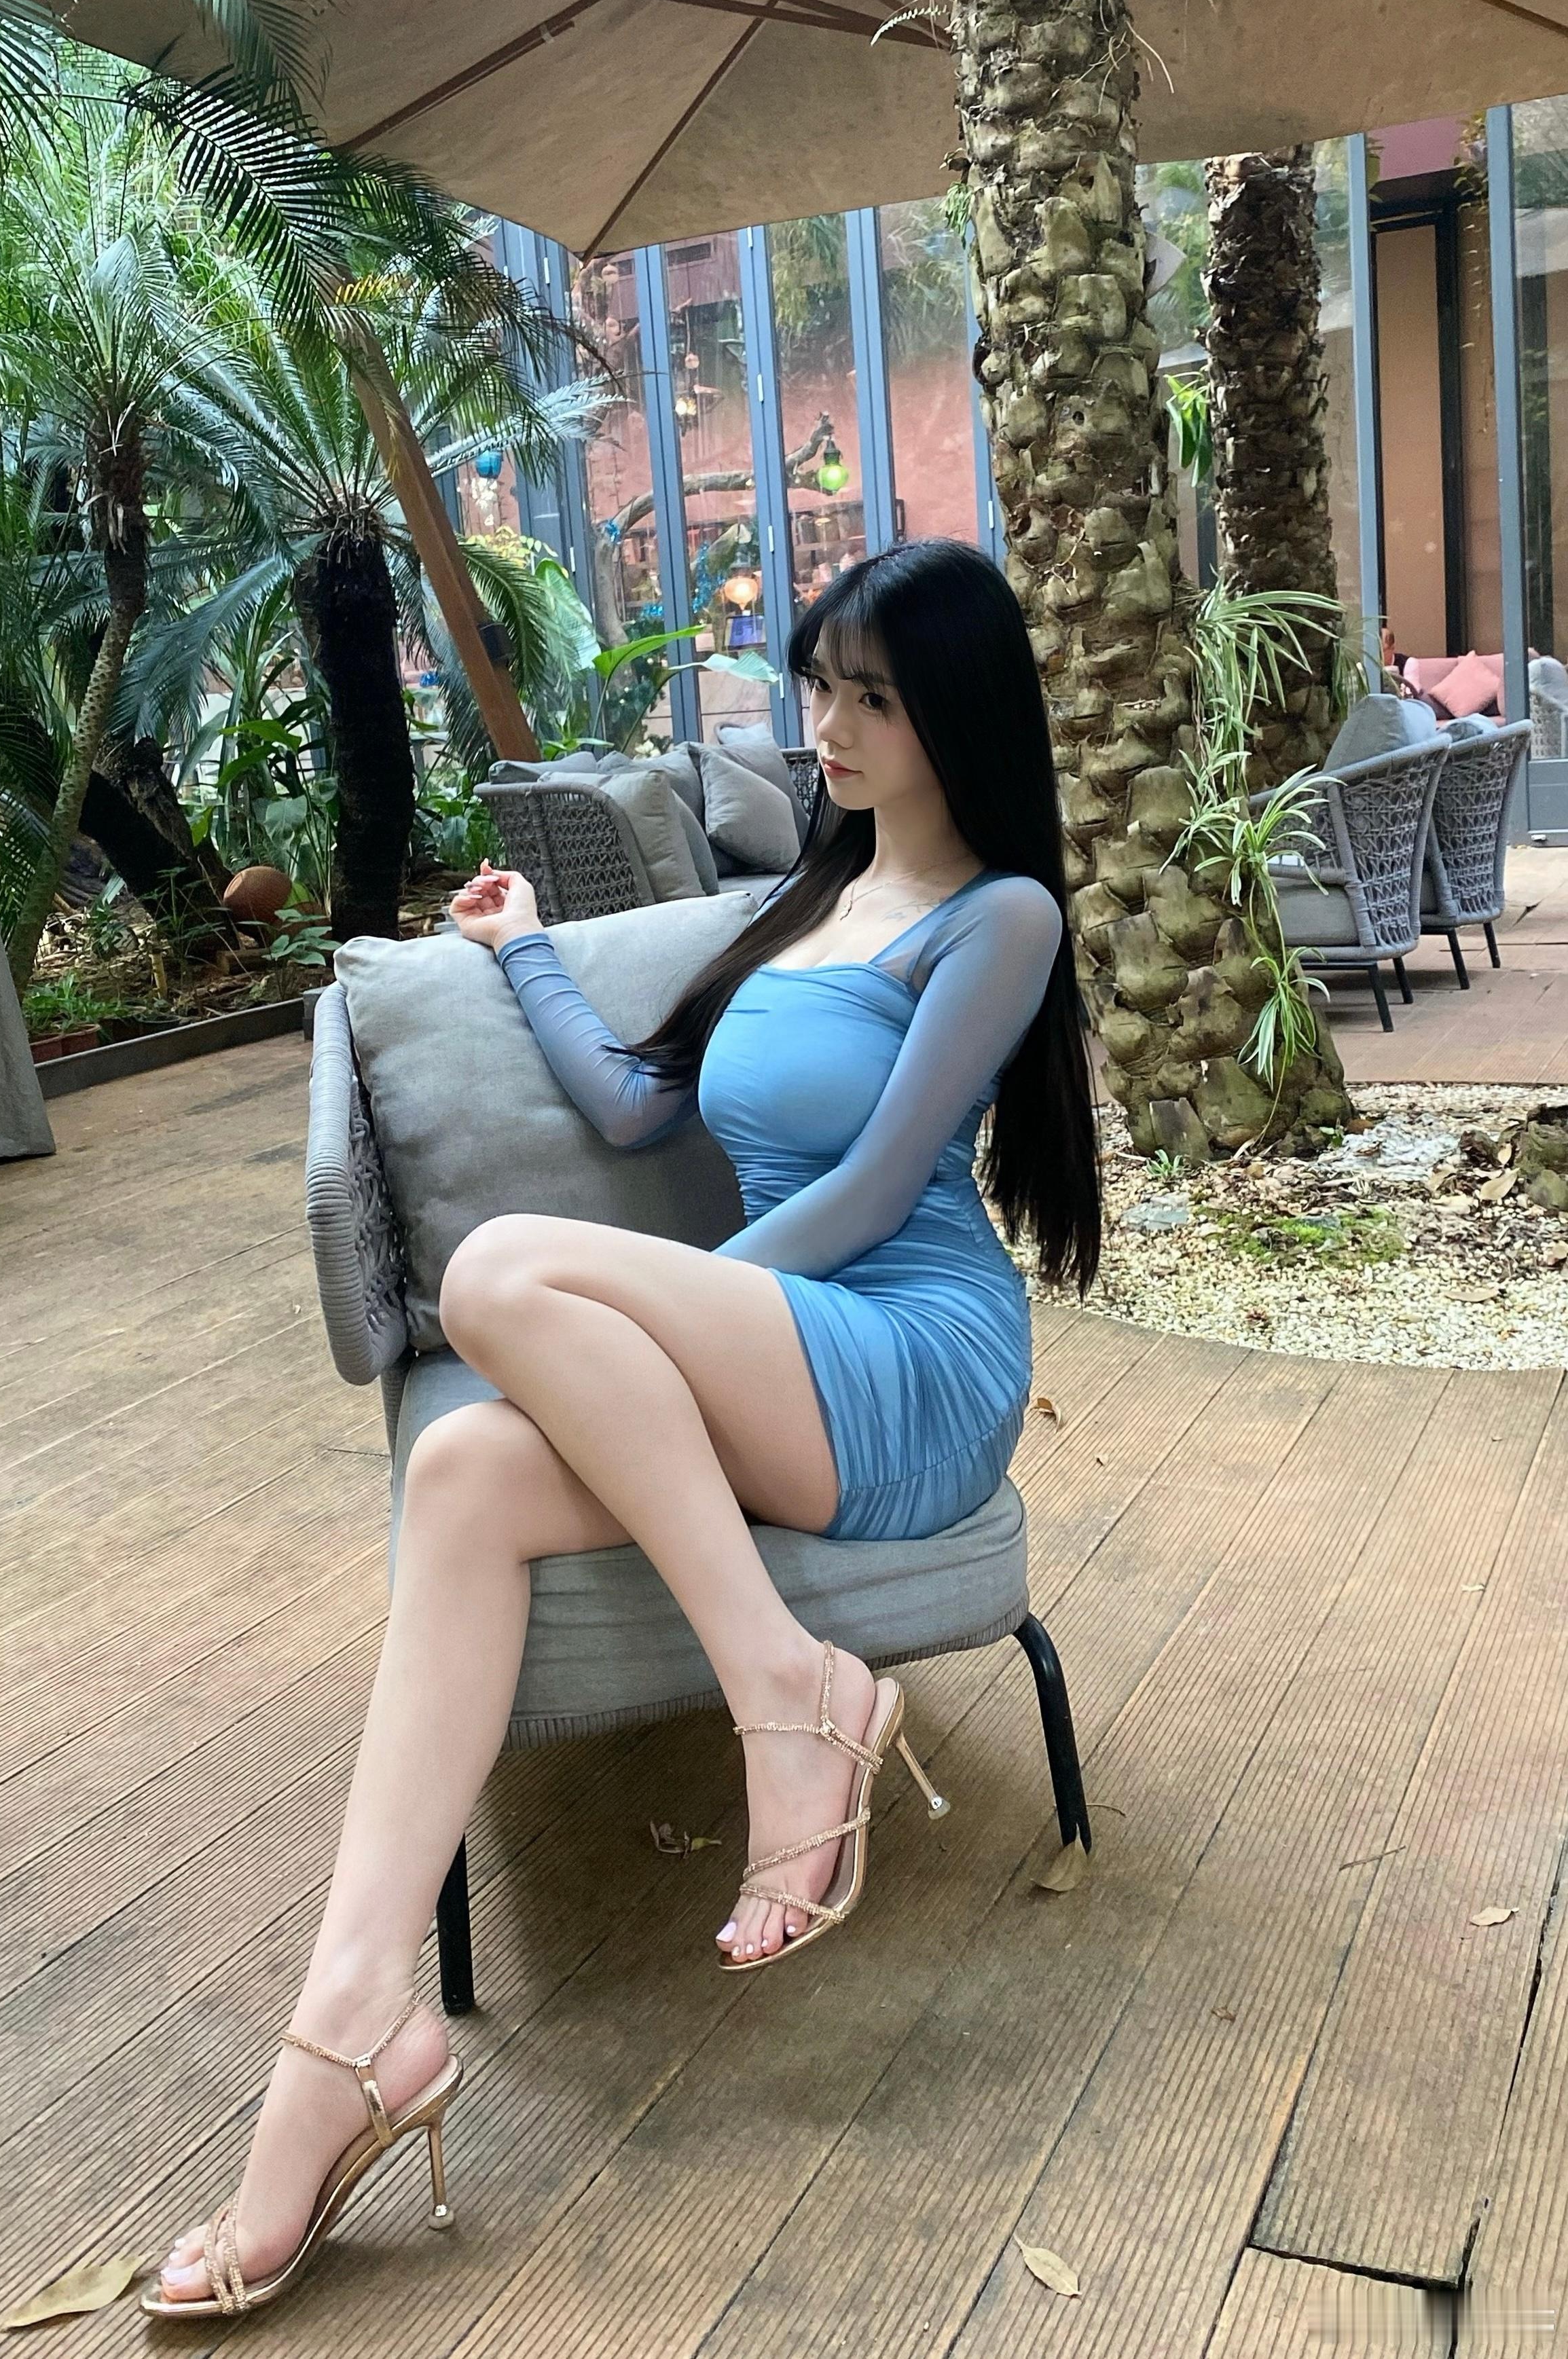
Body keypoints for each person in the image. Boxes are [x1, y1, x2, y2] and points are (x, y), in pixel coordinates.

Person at [145, 537, 1101, 2319]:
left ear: (960, 713)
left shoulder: (1003, 918)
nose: (826, 726)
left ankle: (788, 1697)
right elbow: (636, 1097)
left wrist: (657, 1326)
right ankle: (354, 2023)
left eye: (873, 701)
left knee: (503, 1273)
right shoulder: (809, 890)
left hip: (910, 1354)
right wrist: (521, 954)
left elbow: (876, 1188)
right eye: (817, 687)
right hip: (784, 1353)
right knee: (462, 1470)